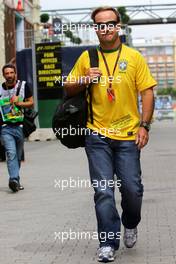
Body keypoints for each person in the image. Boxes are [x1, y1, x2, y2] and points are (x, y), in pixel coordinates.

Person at [65, 6, 157, 263]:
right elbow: (69, 89)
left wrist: (144, 125)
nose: (105, 28)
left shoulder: (134, 57)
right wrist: (84, 79)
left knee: (132, 189)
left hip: (128, 136)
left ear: (118, 26)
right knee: (104, 191)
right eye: (100, 24)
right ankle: (107, 242)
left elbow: (147, 91)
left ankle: (130, 222)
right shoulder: (87, 57)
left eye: (109, 23)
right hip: (97, 137)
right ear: (95, 28)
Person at [0, 64, 34, 192]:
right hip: (5, 127)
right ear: (3, 75)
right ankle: (13, 179)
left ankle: (16, 180)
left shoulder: (24, 86)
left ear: (15, 74)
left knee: (18, 156)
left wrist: (19, 103)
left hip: (20, 126)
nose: (9, 75)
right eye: (6, 73)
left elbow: (31, 102)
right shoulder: (0, 89)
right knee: (11, 153)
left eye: (11, 73)